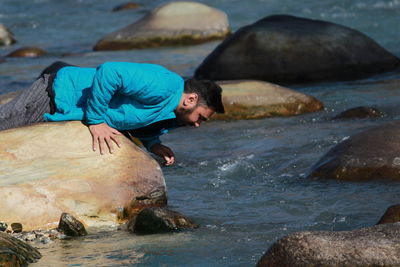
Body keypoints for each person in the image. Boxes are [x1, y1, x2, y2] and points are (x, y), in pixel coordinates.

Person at [0, 61, 224, 165]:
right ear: (191, 99)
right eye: (200, 118)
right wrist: (96, 121)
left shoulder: (172, 111)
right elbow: (111, 72)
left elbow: (136, 115)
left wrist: (153, 144)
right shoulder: (163, 86)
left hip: (63, 108)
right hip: (57, 94)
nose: (197, 125)